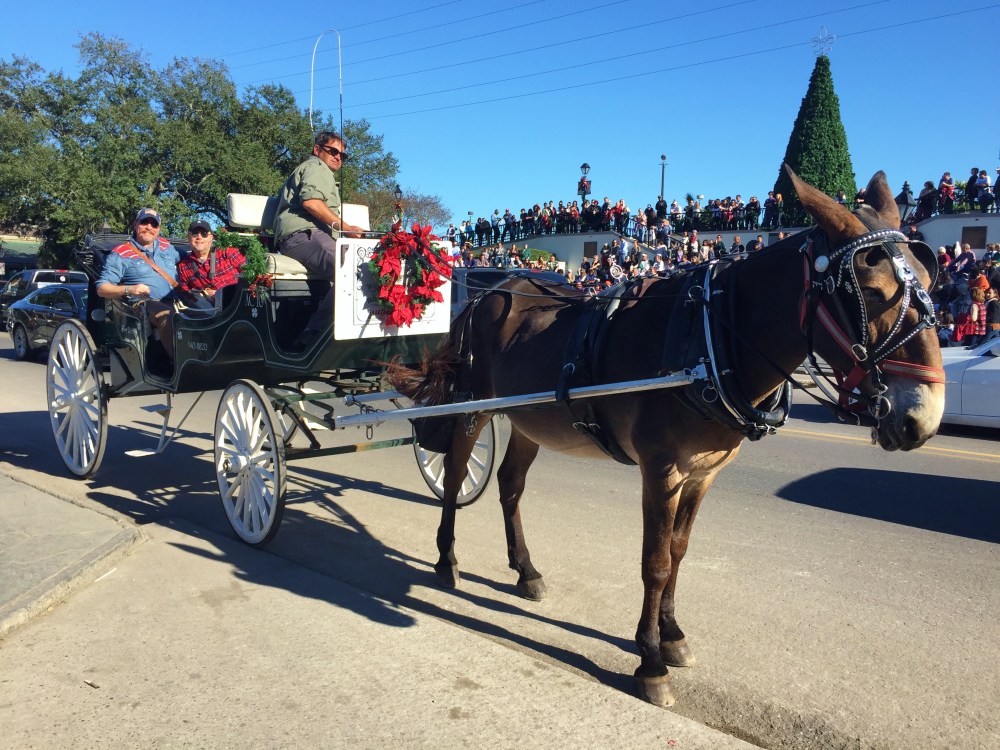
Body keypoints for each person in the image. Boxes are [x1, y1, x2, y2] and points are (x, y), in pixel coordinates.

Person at [273, 130, 366, 348]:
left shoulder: (324, 174)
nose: (338, 157)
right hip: (302, 235)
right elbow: (311, 203)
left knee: (367, 268)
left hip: (315, 236)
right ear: (317, 150)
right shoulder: (316, 167)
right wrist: (347, 228)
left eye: (343, 155)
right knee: (352, 270)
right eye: (333, 151)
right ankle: (313, 336)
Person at [96, 207, 180, 363]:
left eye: (154, 224)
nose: (149, 227)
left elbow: (187, 261)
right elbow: (102, 288)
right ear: (136, 224)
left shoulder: (166, 246)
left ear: (158, 229)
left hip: (177, 300)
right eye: (144, 222)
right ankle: (177, 362)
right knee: (167, 315)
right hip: (147, 305)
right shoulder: (120, 254)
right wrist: (130, 289)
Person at [176, 220, 245, 305]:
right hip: (210, 312)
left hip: (238, 304)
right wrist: (203, 294)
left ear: (211, 237)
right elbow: (185, 294)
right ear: (188, 237)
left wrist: (219, 294)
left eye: (204, 233)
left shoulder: (227, 252)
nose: (199, 237)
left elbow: (250, 275)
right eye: (195, 233)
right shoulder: (183, 266)